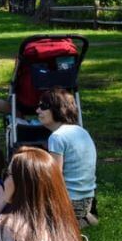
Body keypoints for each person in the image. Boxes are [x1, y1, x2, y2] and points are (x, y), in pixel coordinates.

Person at [39, 89, 98, 227]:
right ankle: (83, 219)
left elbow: (55, 176)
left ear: (57, 109)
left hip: (69, 202)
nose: (37, 110)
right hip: (88, 199)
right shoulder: (81, 131)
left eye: (43, 106)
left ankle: (70, 223)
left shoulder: (57, 137)